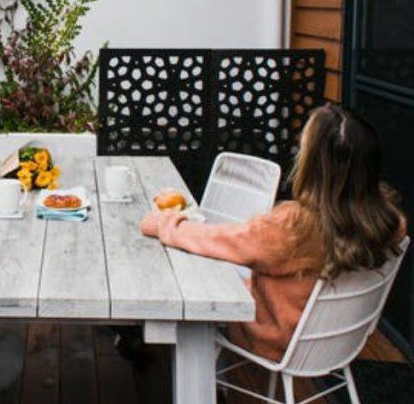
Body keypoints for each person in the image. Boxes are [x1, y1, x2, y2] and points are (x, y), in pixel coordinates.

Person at [140, 104, 407, 362]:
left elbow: (220, 240)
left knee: (189, 286)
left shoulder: (293, 227)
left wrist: (163, 223)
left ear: (312, 162)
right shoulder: (389, 221)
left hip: (274, 337)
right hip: (336, 338)